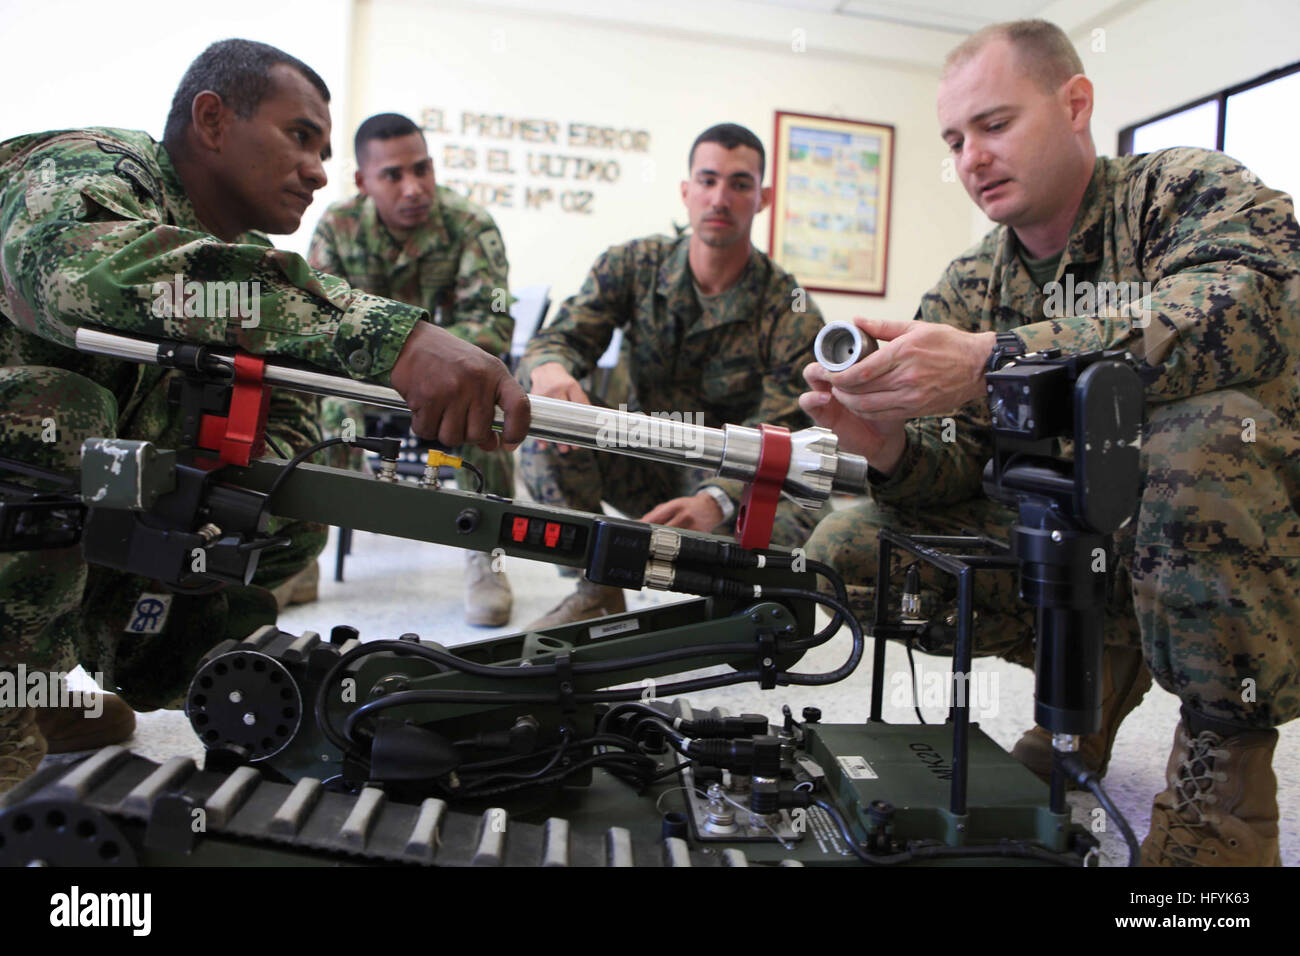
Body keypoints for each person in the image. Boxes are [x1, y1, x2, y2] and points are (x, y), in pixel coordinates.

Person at [801, 20, 1299, 866]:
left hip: (1232, 521)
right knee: (848, 546)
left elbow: (1255, 305)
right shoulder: (971, 279)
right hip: (1082, 544)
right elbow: (955, 460)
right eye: (954, 140)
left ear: (1075, 105)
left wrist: (998, 357)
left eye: (994, 125)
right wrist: (889, 443)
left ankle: (1224, 792)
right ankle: (1094, 679)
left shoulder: (1180, 188)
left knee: (1193, 437)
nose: (971, 158)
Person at [0, 39, 529, 794]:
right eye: (299, 137)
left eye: (322, 146)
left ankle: (40, 685)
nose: (317, 169)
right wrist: (396, 338)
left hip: (73, 475)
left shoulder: (238, 255)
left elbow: (285, 408)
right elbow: (86, 283)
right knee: (58, 415)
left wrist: (226, 506)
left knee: (284, 494)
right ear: (212, 119)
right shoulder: (87, 170)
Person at [517, 122, 826, 630]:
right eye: (707, 180)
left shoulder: (789, 309)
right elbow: (561, 339)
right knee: (548, 436)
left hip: (731, 472)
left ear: (763, 197)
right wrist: (549, 371)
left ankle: (718, 606)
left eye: (739, 184)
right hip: (646, 452)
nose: (720, 198)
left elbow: (782, 430)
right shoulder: (635, 264)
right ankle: (597, 589)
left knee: (799, 529)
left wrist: (717, 500)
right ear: (686, 191)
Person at [308, 113, 515, 627]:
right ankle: (304, 548)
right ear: (363, 182)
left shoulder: (470, 225)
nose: (414, 187)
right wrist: (394, 365)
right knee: (320, 405)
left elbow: (489, 324)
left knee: (482, 407)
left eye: (422, 169)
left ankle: (487, 551)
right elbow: (317, 322)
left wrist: (435, 372)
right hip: (362, 383)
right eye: (394, 175)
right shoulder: (338, 228)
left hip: (447, 383)